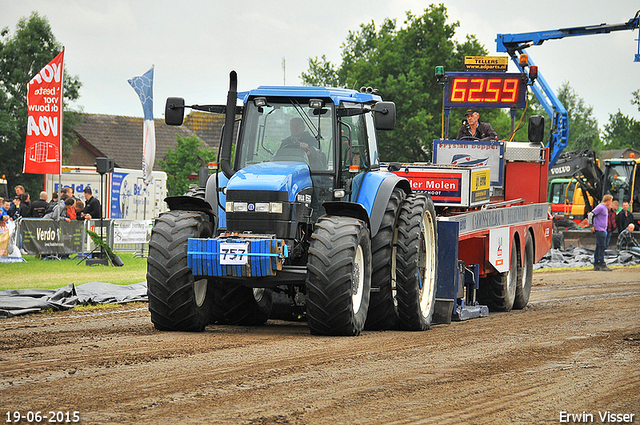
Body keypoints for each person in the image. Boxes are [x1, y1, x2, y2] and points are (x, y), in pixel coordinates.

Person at [590, 194, 613, 271]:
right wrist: (591, 225)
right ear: (608, 201)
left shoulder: (604, 208)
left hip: (602, 229)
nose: (611, 202)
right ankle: (601, 263)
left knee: (599, 246)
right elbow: (591, 214)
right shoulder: (600, 207)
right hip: (599, 230)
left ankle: (596, 264)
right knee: (602, 246)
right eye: (611, 201)